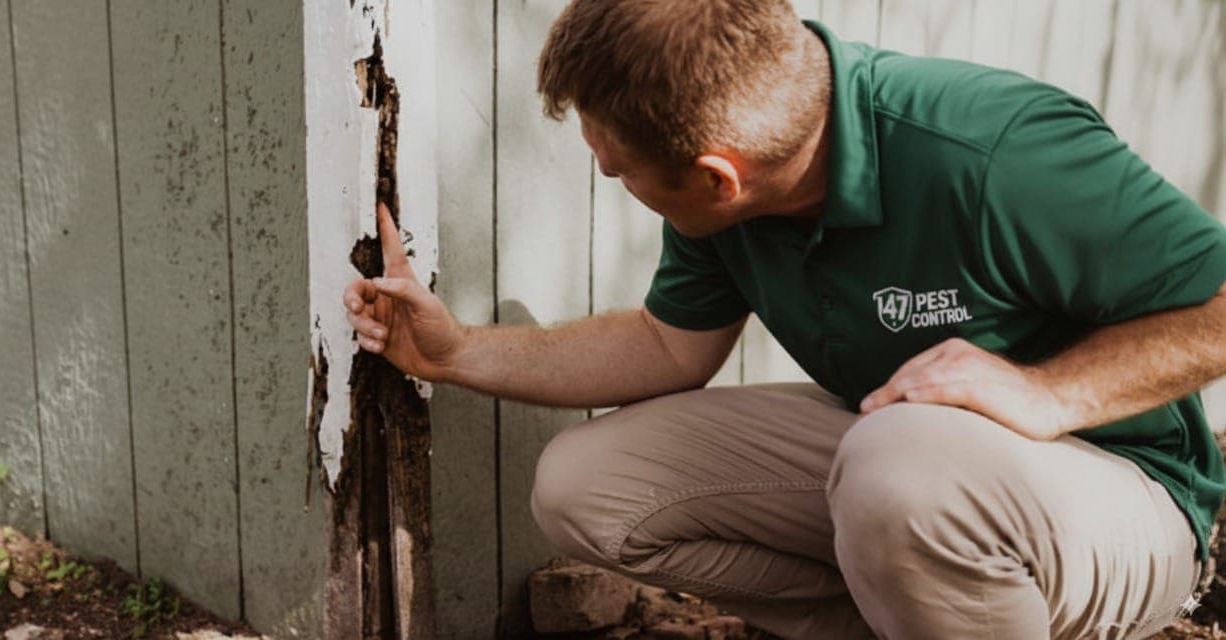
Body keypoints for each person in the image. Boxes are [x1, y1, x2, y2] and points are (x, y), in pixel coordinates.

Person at [343, 0, 1226, 637]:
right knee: (586, 485)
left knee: (897, 467)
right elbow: (666, 344)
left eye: (619, 170)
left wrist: (1047, 392)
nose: (606, 172)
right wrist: (458, 352)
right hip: (909, 472)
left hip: (1125, 497)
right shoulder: (738, 193)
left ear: (719, 175)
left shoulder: (994, 153)